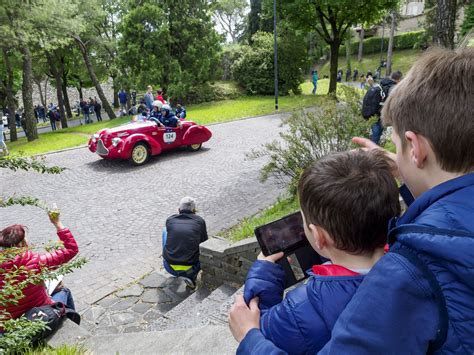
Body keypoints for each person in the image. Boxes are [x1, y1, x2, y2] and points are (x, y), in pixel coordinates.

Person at [229, 47, 474, 354]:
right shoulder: (429, 239)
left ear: (416, 148)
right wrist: (403, 172)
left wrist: (249, 337)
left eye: (396, 145)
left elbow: (267, 325)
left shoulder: (405, 277)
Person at [234, 150, 400, 354]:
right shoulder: (411, 258)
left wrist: (247, 334)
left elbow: (263, 325)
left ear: (319, 237)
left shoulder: (298, 311)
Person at [0, 213, 79, 321]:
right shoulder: (36, 262)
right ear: (22, 244)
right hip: (39, 315)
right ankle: (69, 323)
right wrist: (57, 223)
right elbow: (71, 250)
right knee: (64, 291)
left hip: (8, 324)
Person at [162, 197, 208, 289]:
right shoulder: (200, 221)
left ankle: (170, 259)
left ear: (179, 210)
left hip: (169, 267)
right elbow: (205, 243)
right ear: (194, 210)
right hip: (192, 268)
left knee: (165, 231)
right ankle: (190, 277)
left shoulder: (170, 220)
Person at [362, 71, 402, 145]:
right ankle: (373, 152)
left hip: (374, 112)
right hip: (380, 114)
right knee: (376, 136)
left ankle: (371, 148)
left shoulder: (382, 83)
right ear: (399, 80)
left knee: (375, 134)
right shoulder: (393, 87)